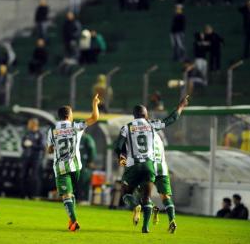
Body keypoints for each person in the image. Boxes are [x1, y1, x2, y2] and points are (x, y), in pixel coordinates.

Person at [114, 95, 189, 234]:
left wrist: (121, 158)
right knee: (147, 197)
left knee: (125, 192)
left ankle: (136, 206)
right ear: (146, 114)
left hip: (134, 165)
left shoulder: (126, 128)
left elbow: (118, 147)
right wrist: (181, 106)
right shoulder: (151, 125)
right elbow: (171, 119)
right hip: (149, 166)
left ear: (134, 115)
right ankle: (145, 227)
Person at [46, 94, 100, 231]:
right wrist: (95, 103)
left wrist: (54, 147)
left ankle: (74, 222)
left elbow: (49, 150)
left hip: (60, 168)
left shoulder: (52, 131)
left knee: (67, 195)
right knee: (71, 195)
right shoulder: (76, 126)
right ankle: (72, 221)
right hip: (76, 167)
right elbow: (95, 118)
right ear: (69, 115)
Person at [150, 132, 178, 228]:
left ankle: (152, 207)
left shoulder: (146, 136)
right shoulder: (160, 140)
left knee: (140, 191)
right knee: (165, 197)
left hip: (149, 167)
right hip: (162, 169)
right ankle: (172, 220)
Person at [20, 118, 45, 199]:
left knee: (35, 176)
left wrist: (32, 144)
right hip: (26, 157)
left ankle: (35, 194)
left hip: (36, 158)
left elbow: (42, 146)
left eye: (30, 124)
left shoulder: (40, 134)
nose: (28, 125)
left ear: (34, 124)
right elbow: (23, 144)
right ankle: (24, 195)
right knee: (24, 175)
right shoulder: (27, 133)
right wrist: (24, 144)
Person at [76, 133, 97, 204]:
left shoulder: (87, 138)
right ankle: (77, 198)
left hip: (85, 165)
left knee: (85, 180)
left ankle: (85, 199)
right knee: (77, 181)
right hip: (76, 165)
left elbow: (92, 149)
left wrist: (91, 160)